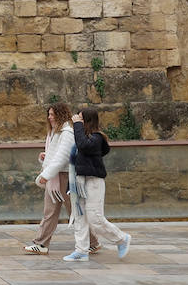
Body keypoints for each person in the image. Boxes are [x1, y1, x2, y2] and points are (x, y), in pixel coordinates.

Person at [63, 108, 131, 263]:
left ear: (87, 121)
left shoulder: (97, 138)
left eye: (80, 120)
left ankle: (121, 239)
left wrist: (78, 126)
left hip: (93, 182)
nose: (76, 123)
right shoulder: (81, 138)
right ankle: (81, 251)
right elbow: (75, 155)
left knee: (95, 218)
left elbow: (84, 146)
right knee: (80, 217)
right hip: (78, 182)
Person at [25, 103, 74, 255]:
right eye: (49, 114)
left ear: (60, 115)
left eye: (52, 114)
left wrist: (45, 176)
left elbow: (62, 158)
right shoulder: (55, 132)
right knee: (50, 212)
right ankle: (41, 244)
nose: (49, 117)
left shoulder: (67, 132)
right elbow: (55, 155)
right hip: (55, 177)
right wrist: (44, 158)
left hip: (64, 177)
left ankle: (94, 242)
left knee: (76, 212)